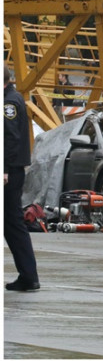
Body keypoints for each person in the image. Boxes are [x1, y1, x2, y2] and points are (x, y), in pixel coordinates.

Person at [4, 65, 40, 291]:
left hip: (8, 172)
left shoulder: (9, 103)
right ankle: (28, 276)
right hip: (10, 170)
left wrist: (4, 169)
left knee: (13, 223)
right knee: (11, 224)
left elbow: (10, 138)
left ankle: (29, 276)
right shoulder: (12, 98)